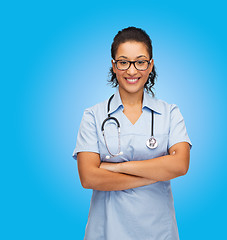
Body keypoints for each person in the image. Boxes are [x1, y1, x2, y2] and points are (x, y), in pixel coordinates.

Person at [72, 26, 192, 240]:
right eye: (124, 62)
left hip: (159, 232)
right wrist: (156, 172)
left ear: (150, 65)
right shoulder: (93, 115)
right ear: (114, 65)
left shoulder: (170, 112)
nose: (132, 70)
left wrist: (118, 168)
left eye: (140, 61)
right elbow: (89, 177)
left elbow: (180, 165)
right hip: (107, 231)